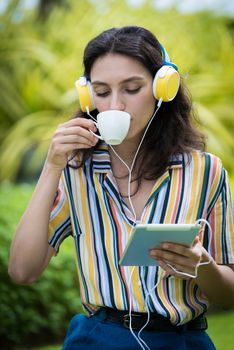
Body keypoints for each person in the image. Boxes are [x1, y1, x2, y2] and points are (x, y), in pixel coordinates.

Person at [8, 26, 234, 350]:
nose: (115, 105)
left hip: (183, 341)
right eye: (101, 92)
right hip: (98, 338)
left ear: (162, 88)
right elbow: (22, 270)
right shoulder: (76, 170)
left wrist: (200, 265)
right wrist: (51, 165)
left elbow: (229, 296)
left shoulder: (205, 170)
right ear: (88, 96)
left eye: (131, 88)